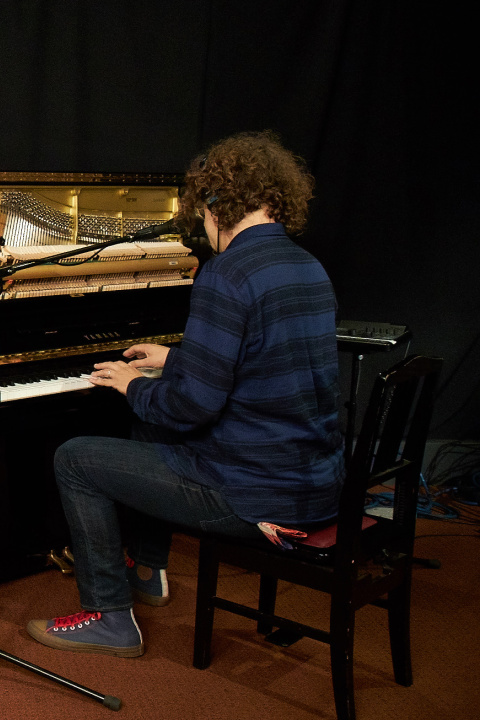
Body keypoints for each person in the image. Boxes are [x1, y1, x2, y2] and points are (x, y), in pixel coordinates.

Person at [26, 131, 343, 657]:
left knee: (75, 458)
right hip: (314, 480)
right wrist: (175, 359)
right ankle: (148, 570)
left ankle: (108, 616)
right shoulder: (308, 267)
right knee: (152, 424)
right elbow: (270, 365)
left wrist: (132, 387)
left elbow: (191, 406)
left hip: (256, 496)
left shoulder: (226, 273)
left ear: (216, 202)